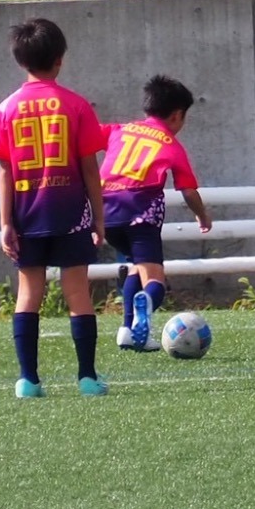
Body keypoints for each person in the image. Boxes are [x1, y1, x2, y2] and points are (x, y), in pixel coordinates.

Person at [0, 18, 110, 397]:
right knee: (78, 294)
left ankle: (28, 380)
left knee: (28, 295)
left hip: (26, 216)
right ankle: (87, 378)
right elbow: (90, 169)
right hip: (71, 215)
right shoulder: (76, 105)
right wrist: (99, 218)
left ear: (21, 61)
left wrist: (6, 223)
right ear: (60, 59)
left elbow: (5, 171)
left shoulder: (6, 108)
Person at [101, 75, 213, 351]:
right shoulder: (171, 145)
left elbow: (87, 137)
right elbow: (188, 191)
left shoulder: (119, 130)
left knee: (136, 267)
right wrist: (202, 216)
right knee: (154, 280)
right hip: (141, 214)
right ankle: (148, 302)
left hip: (105, 212)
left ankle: (127, 331)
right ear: (177, 115)